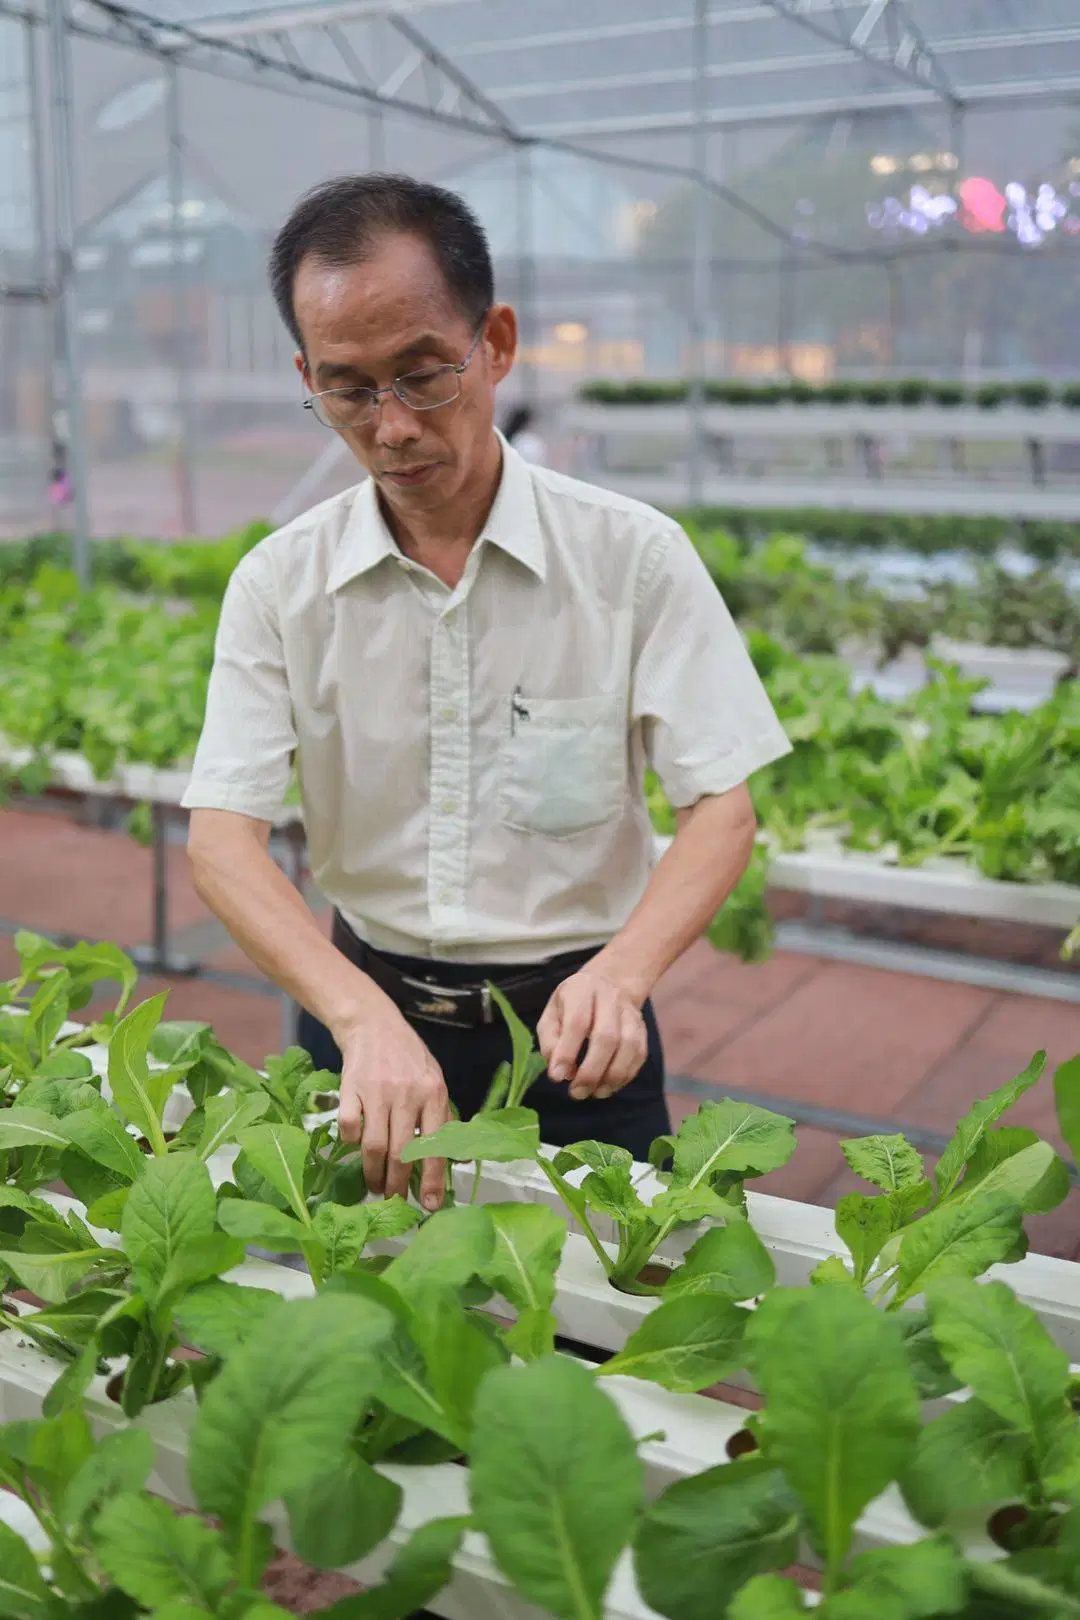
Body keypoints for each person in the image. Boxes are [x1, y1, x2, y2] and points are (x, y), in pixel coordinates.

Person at [182, 173, 791, 1211]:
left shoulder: (631, 558)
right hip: (361, 1019)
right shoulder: (281, 584)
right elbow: (220, 838)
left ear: (495, 342)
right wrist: (363, 1020)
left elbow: (720, 805)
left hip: (577, 1041)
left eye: (423, 376)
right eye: (347, 388)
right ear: (307, 375)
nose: (392, 428)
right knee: (363, 1341)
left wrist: (624, 975)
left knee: (591, 1352)